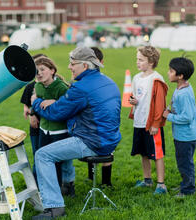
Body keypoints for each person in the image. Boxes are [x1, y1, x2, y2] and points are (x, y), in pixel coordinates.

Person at [31, 46, 121, 219]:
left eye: (73, 64)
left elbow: (56, 113)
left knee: (42, 155)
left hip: (93, 142)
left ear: (85, 66)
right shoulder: (108, 80)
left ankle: (54, 208)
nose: (69, 67)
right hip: (110, 139)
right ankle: (66, 185)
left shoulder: (81, 88)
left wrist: (36, 103)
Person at [129, 46, 168, 195]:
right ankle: (147, 180)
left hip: (151, 124)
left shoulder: (156, 79)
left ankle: (161, 184)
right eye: (137, 59)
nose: (137, 62)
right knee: (143, 153)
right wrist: (133, 101)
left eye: (141, 60)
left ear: (151, 62)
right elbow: (136, 97)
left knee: (157, 153)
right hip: (139, 122)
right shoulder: (136, 78)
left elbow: (159, 104)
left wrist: (156, 123)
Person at [163, 57, 196, 198]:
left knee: (185, 164)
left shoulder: (183, 94)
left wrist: (168, 116)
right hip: (182, 135)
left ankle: (188, 189)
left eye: (171, 71)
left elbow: (187, 117)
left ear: (180, 76)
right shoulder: (182, 88)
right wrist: (172, 111)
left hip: (185, 136)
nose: (168, 73)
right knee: (183, 161)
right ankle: (185, 184)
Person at [34, 57, 69, 189]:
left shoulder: (61, 87)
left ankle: (58, 188)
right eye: (37, 71)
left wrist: (55, 101)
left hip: (59, 131)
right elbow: (37, 104)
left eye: (43, 69)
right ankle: (43, 188)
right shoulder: (38, 86)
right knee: (42, 160)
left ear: (52, 70)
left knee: (57, 162)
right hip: (44, 129)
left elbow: (68, 105)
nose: (40, 73)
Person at [86, 47, 112, 187]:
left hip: (101, 122)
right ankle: (96, 179)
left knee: (102, 148)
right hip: (96, 122)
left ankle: (105, 181)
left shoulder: (102, 82)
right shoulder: (103, 81)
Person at [20, 53, 46, 181]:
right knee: (37, 153)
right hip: (35, 127)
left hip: (51, 127)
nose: (38, 72)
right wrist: (31, 114)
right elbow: (26, 106)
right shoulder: (30, 87)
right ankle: (36, 181)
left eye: (42, 68)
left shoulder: (52, 84)